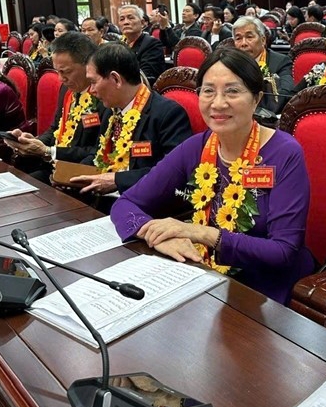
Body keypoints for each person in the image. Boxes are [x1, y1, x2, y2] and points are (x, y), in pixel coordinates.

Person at [110, 48, 314, 304]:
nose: (218, 103)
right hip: (202, 271)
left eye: (232, 91)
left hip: (266, 286)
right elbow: (125, 203)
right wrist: (159, 238)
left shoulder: (285, 153)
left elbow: (283, 252)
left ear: (257, 98)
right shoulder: (196, 147)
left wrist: (201, 233)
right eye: (208, 91)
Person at [68, 43, 192, 197]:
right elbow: (99, 154)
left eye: (93, 82)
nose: (91, 90)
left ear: (116, 79)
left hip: (141, 200)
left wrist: (117, 180)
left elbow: (174, 172)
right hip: (101, 196)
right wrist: (71, 176)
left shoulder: (167, 114)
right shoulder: (110, 110)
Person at [5, 32, 107, 183]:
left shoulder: (104, 97)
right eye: (57, 71)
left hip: (81, 172)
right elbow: (54, 130)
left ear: (89, 65)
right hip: (54, 165)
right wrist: (33, 141)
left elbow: (97, 151)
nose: (60, 78)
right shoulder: (67, 90)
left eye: (65, 72)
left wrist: (48, 151)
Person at [232, 16, 292, 114]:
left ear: (263, 40)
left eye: (249, 37)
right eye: (238, 38)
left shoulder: (280, 62)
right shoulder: (230, 63)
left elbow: (284, 96)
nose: (243, 43)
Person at [117, 4, 166, 85]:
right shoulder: (118, 45)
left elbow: (147, 77)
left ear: (142, 23)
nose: (125, 22)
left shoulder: (152, 44)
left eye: (131, 18)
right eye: (122, 19)